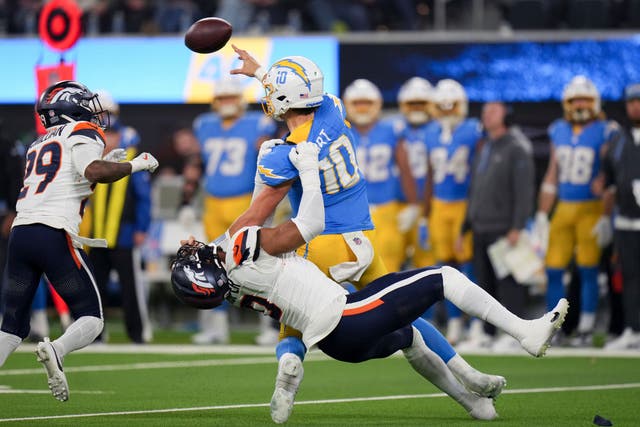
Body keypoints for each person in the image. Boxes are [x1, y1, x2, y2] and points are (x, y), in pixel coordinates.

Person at [172, 141, 568, 423]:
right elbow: (309, 223)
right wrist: (308, 169)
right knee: (442, 276)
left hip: (334, 342)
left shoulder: (231, 286)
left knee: (412, 338)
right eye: (192, 257)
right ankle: (524, 331)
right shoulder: (242, 246)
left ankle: (475, 404)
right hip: (348, 317)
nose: (190, 249)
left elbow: (237, 232)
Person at [224, 45, 501, 424]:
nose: (267, 97)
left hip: (319, 242)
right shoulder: (334, 110)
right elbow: (301, 95)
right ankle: (469, 387)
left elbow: (258, 213)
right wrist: (261, 73)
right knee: (406, 310)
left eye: (272, 92)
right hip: (362, 238)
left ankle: (288, 367)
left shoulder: (283, 153)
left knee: (294, 321)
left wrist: (222, 246)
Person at [0, 80, 158, 401]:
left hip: (21, 234)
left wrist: (109, 161)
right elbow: (94, 171)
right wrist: (134, 164)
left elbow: (72, 180)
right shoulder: (83, 132)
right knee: (91, 317)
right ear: (72, 107)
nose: (94, 114)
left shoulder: (37, 142)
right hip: (52, 234)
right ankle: (57, 350)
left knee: (12, 324)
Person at [531, 75, 621, 346]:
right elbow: (552, 175)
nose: (580, 105)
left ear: (594, 102)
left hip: (591, 209)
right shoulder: (558, 129)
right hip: (564, 207)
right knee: (554, 269)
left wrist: (606, 214)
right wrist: (541, 215)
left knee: (588, 269)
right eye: (575, 100)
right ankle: (552, 326)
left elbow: (610, 175)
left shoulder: (606, 130)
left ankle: (585, 327)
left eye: (585, 99)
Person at [192, 77, 278, 345]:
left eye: (232, 98)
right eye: (223, 98)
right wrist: (187, 200)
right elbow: (197, 163)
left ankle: (271, 326)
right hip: (213, 203)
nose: (228, 103)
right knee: (212, 263)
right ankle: (216, 327)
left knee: (257, 262)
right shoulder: (204, 126)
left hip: (246, 203)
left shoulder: (258, 124)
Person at [458, 102, 535, 351]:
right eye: (485, 111)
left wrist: (517, 226)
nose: (486, 115)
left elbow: (524, 191)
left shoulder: (517, 146)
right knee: (485, 283)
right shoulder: (486, 146)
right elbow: (476, 190)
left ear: (506, 114)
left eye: (493, 111)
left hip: (503, 227)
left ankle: (514, 334)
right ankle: (488, 332)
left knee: (509, 283)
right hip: (481, 225)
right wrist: (465, 227)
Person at [80, 89, 154, 344]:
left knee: (130, 288)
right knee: (95, 288)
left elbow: (143, 196)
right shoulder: (88, 153)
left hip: (123, 232)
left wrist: (142, 227)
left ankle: (138, 334)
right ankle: (95, 334)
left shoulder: (130, 153)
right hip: (96, 234)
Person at [424, 79, 482, 344]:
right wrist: (425, 214)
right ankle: (455, 323)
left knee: (470, 267)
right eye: (442, 107)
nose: (447, 111)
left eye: (451, 106)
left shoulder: (473, 130)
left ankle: (478, 324)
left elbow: (480, 171)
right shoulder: (430, 132)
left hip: (463, 204)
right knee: (444, 269)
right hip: (439, 205)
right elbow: (428, 174)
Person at [344, 78, 420, 272]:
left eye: (366, 103)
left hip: (386, 210)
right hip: (351, 212)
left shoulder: (391, 130)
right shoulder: (341, 132)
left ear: (376, 104)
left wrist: (413, 204)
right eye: (357, 104)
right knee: (351, 270)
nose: (362, 109)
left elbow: (405, 168)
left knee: (387, 269)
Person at [602, 83, 640, 350]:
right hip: (626, 220)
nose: (635, 106)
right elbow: (610, 177)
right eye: (631, 102)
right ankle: (633, 327)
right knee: (629, 277)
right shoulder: (619, 137)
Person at [394, 76, 436, 271]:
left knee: (428, 263)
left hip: (432, 206)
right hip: (399, 206)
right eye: (413, 104)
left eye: (422, 104)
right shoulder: (393, 129)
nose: (417, 108)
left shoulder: (439, 130)